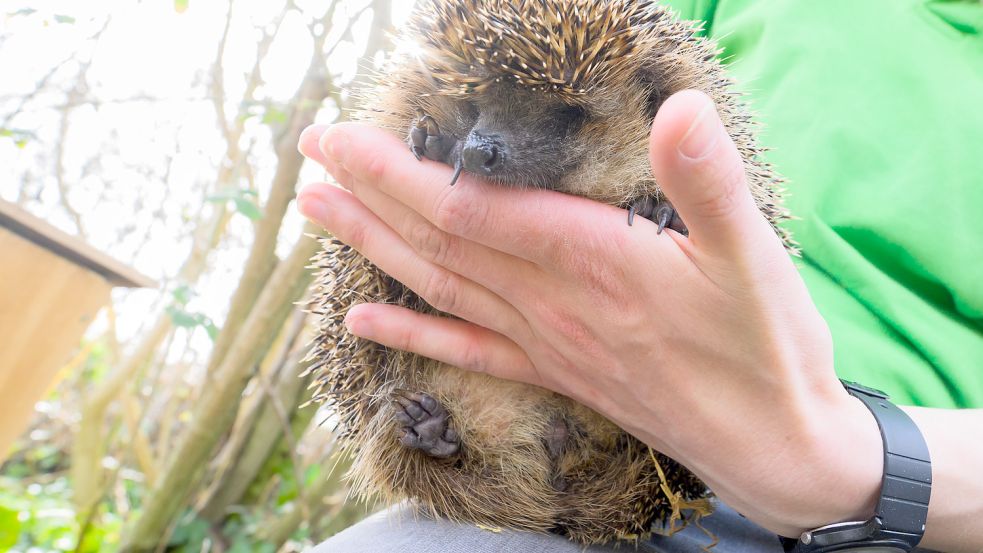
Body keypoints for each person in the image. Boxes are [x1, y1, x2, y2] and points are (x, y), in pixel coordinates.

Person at [296, 1, 983, 551]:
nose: (480, 146)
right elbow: (553, 36)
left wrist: (855, 462)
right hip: (501, 447)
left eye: (561, 121)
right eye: (474, 117)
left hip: (916, 502)